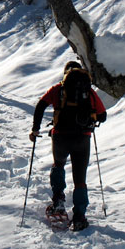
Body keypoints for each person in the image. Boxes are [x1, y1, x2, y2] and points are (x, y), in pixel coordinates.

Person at [29, 61, 107, 231]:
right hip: (82, 139)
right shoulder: (89, 91)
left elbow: (40, 106)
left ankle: (58, 200)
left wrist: (35, 129)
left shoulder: (58, 89)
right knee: (80, 178)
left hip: (60, 137)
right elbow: (103, 115)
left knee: (58, 165)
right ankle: (79, 215)